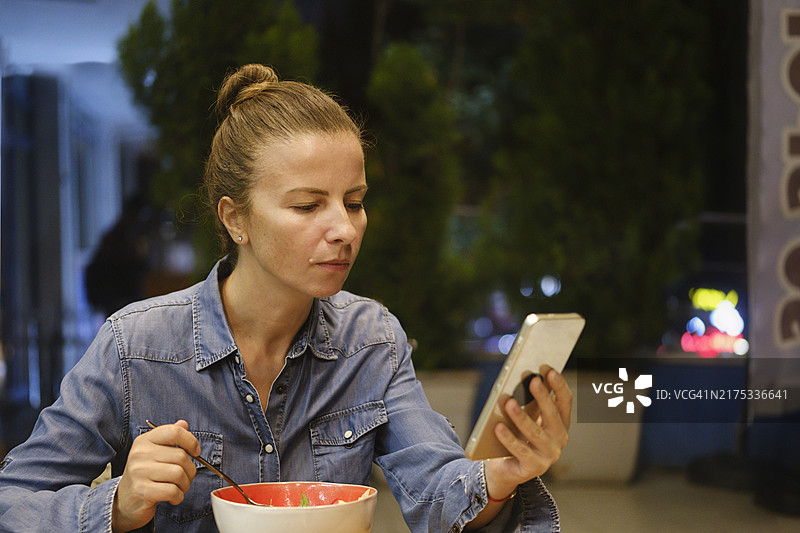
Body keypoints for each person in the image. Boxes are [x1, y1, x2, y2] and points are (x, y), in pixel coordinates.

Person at [0, 64, 572, 532]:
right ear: (236, 219)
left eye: (353, 201)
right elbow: (14, 500)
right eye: (307, 205)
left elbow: (437, 491)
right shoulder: (135, 347)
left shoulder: (370, 339)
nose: (344, 229)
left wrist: (502, 474)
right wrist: (118, 506)